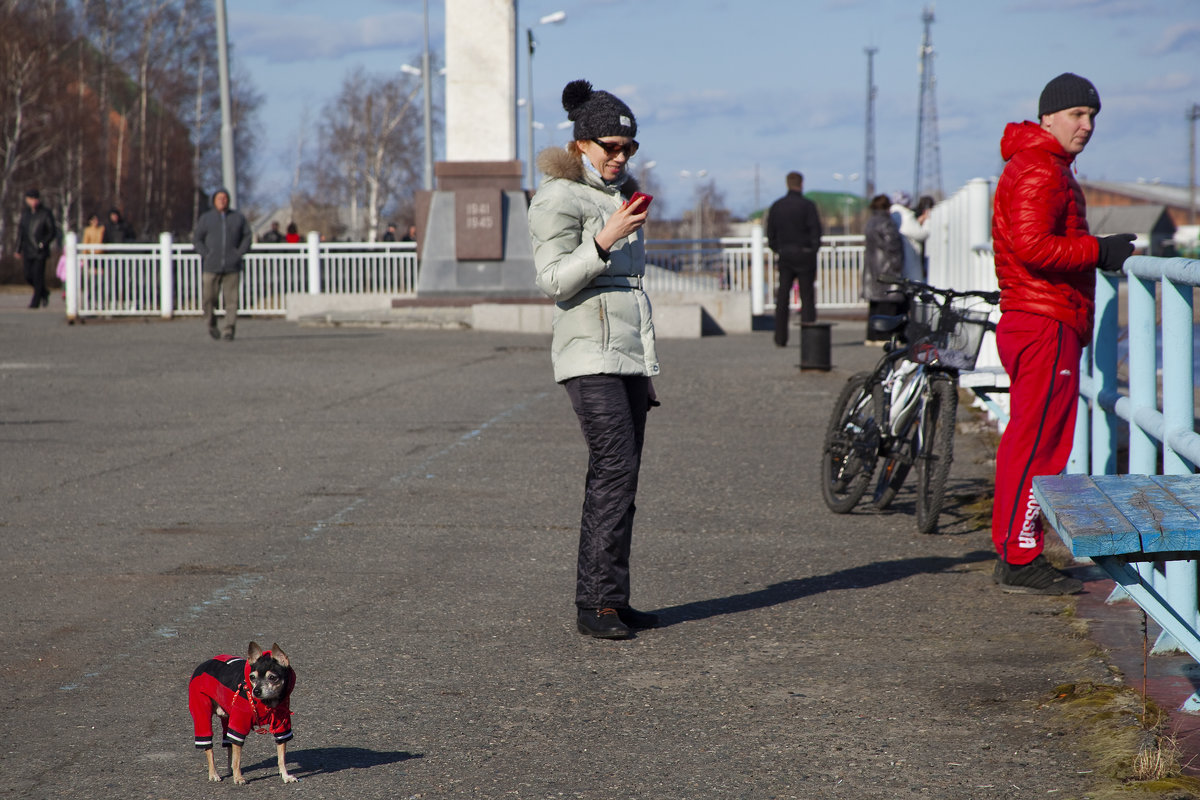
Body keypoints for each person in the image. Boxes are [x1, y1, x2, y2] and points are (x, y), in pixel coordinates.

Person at [991, 73, 1135, 594]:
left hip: (1035, 316)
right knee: (1039, 442)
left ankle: (1015, 546)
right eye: (1076, 114)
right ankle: (1018, 554)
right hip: (1044, 319)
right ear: (1047, 117)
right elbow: (1033, 245)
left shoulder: (1035, 164)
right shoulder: (1041, 169)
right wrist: (1099, 250)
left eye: (1093, 116)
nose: (1087, 125)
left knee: (1031, 437)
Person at [528, 79, 660, 640]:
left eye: (628, 148)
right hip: (588, 354)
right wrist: (604, 240)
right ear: (582, 142)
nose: (621, 156)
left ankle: (613, 598)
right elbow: (553, 280)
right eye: (611, 146)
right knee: (613, 469)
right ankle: (594, 606)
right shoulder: (558, 196)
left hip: (629, 352)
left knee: (623, 478)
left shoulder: (617, 196)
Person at [766, 171, 823, 346]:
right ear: (801, 183)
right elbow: (816, 231)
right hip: (805, 255)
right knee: (807, 297)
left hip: (785, 255)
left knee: (783, 297)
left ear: (787, 184)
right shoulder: (808, 206)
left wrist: (779, 249)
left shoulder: (777, 206)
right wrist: (812, 249)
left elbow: (770, 233)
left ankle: (780, 338)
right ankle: (809, 339)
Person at [193, 188, 252, 341]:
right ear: (214, 200)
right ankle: (211, 324)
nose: (222, 200)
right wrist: (206, 254)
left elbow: (247, 237)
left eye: (225, 198)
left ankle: (228, 329)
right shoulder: (206, 218)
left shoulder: (238, 218)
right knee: (208, 298)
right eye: (219, 198)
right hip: (211, 266)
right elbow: (197, 239)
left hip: (232, 267)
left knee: (232, 300)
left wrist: (238, 254)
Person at [861, 193, 904, 342]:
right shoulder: (887, 222)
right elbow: (893, 246)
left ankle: (871, 337)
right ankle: (885, 337)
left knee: (875, 305)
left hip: (872, 269)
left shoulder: (870, 222)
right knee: (888, 304)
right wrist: (898, 266)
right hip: (886, 268)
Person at [14, 188, 58, 308]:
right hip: (28, 250)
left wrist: (43, 243)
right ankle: (44, 292)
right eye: (30, 199)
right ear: (27, 200)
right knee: (28, 276)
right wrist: (18, 249)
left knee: (38, 276)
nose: (33, 201)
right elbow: (21, 232)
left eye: (35, 199)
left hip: (40, 251)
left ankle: (35, 301)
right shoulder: (25, 214)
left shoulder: (45, 213)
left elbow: (52, 231)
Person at [889, 191, 930, 283]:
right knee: (913, 286)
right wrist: (927, 221)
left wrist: (917, 222)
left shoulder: (892, 214)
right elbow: (921, 234)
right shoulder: (905, 215)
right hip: (910, 259)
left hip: (898, 261)